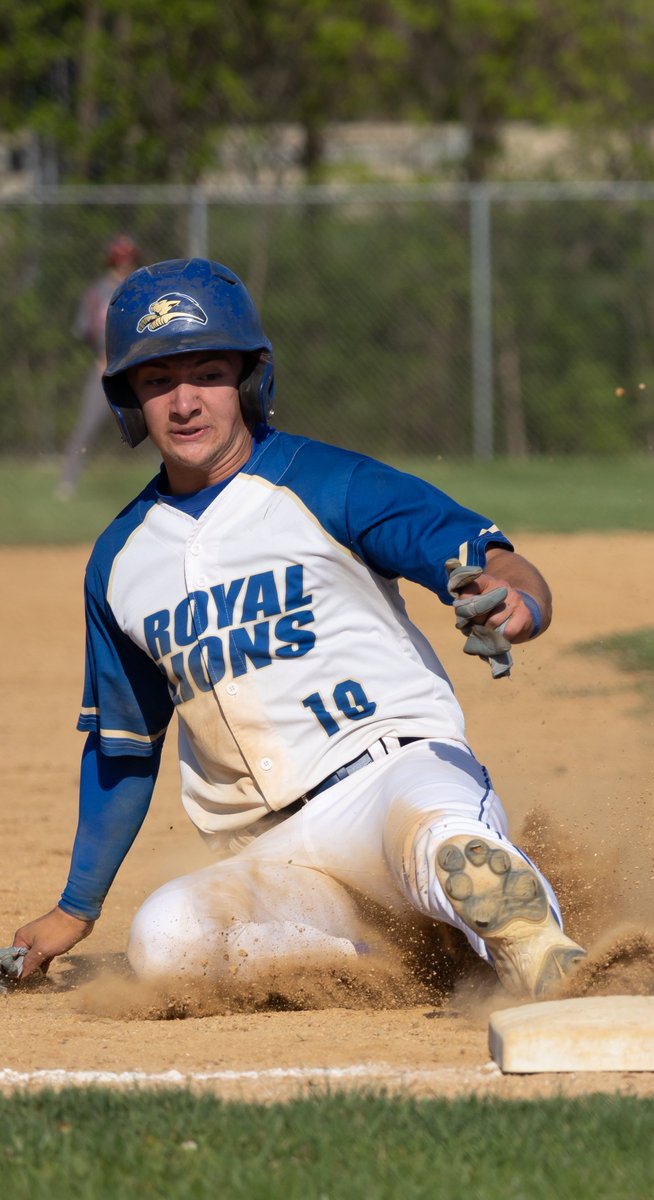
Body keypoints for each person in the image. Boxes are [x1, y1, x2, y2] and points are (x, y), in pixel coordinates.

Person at [5, 256, 585, 1001]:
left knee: (453, 852)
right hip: (276, 854)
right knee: (166, 942)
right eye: (156, 382)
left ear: (248, 381)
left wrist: (517, 604)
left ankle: (547, 959)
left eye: (208, 373)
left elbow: (486, 557)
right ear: (129, 402)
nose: (184, 402)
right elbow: (123, 747)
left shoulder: (328, 483)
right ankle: (404, 951)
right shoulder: (119, 562)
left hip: (392, 778)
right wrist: (76, 909)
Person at [57, 234, 141, 500]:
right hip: (104, 369)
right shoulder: (97, 291)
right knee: (85, 426)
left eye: (128, 260)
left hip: (138, 366)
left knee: (158, 419)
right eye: (120, 261)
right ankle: (68, 482)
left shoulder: (139, 288)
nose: (124, 266)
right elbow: (86, 330)